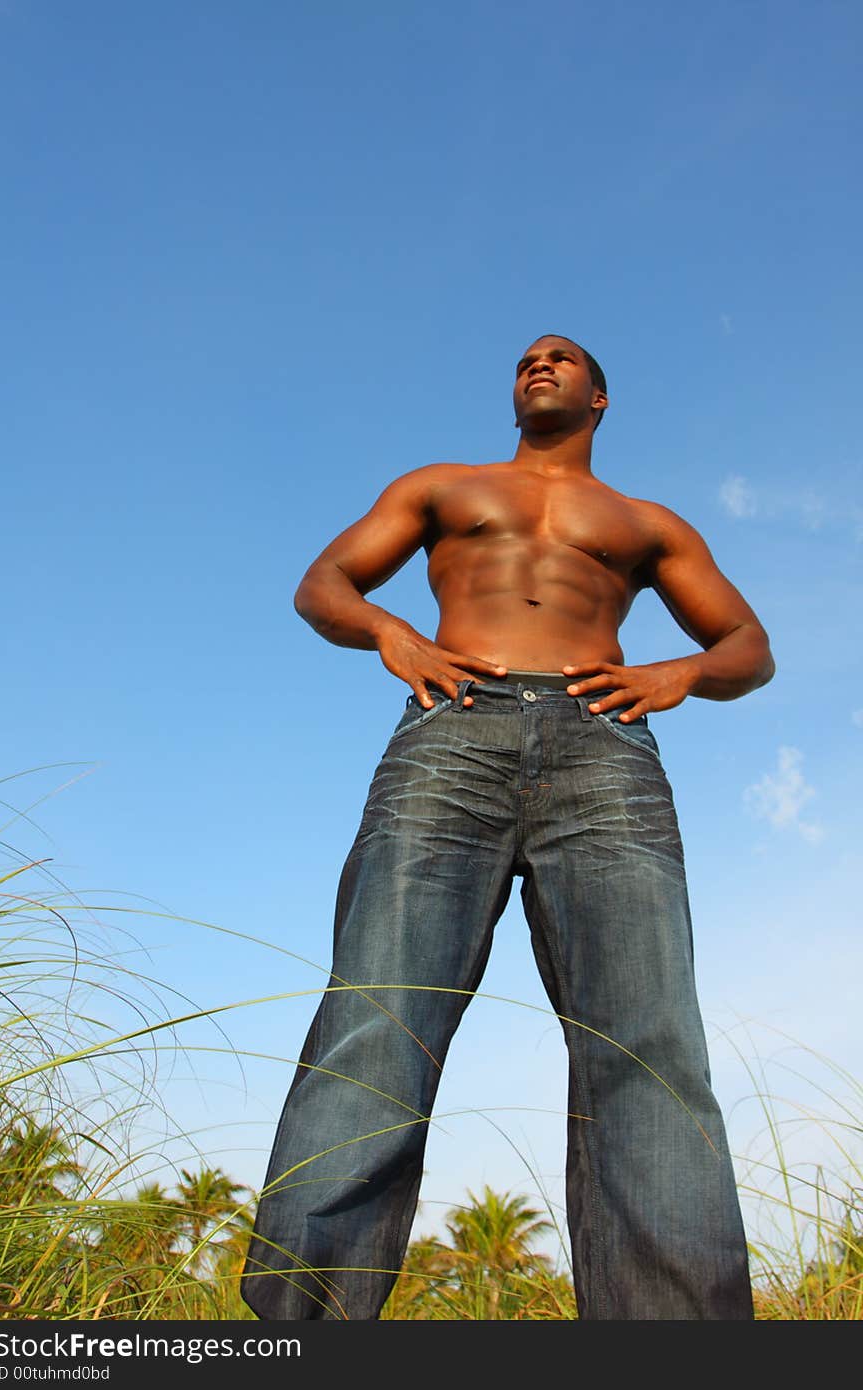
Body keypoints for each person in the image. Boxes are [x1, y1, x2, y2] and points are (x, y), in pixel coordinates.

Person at [242, 333, 774, 1321]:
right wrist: (392, 632)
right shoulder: (442, 486)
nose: (539, 364)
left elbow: (747, 645)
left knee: (646, 1042)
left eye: (562, 357)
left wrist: (682, 674)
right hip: (453, 730)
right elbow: (325, 582)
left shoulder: (646, 521)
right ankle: (300, 1328)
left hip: (605, 751)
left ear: (600, 397)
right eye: (527, 357)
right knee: (380, 1014)